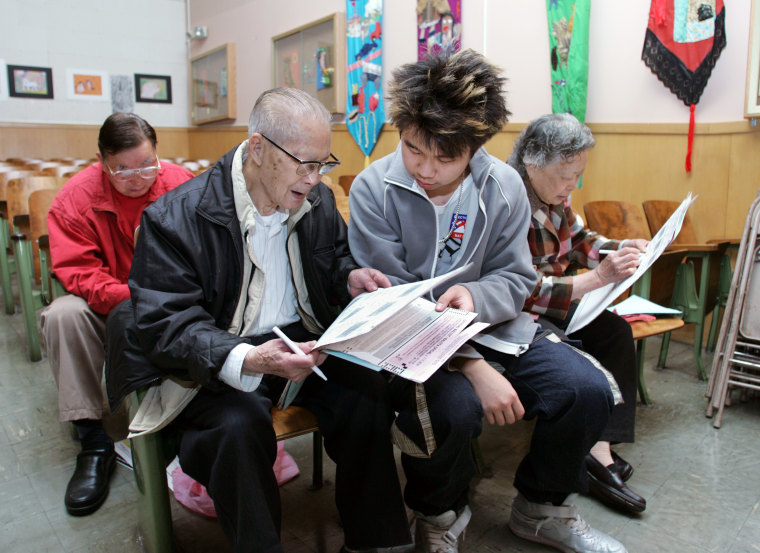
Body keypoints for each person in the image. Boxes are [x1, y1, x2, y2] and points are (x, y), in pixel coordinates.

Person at [105, 88, 415, 553]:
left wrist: (349, 277)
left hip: (299, 343)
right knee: (237, 426)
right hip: (218, 354)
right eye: (302, 164)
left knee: (366, 392)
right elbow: (166, 325)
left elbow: (330, 260)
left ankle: (378, 541)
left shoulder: (318, 202)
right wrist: (248, 359)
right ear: (257, 148)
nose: (313, 179)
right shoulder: (174, 219)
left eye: (321, 164)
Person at [348, 49, 628, 553]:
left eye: (445, 157)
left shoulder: (504, 187)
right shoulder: (374, 189)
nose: (425, 170)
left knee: (585, 389)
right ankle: (438, 516)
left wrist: (475, 295)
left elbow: (517, 279)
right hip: (411, 343)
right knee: (453, 410)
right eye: (413, 149)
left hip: (498, 328)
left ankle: (542, 507)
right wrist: (474, 366)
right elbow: (393, 301)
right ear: (401, 130)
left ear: (476, 146)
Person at [40, 112, 194, 517]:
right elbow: (78, 273)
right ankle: (93, 439)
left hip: (169, 299)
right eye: (121, 169)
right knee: (62, 315)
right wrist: (133, 295)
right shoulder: (75, 199)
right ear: (102, 160)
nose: (137, 177)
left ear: (158, 153)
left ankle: (188, 417)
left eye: (146, 164)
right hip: (106, 303)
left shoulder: (181, 184)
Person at [507, 113, 648, 515]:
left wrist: (619, 249)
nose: (573, 185)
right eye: (566, 174)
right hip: (523, 311)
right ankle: (593, 455)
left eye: (578, 174)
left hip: (559, 297)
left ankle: (598, 443)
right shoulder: (508, 198)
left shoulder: (554, 194)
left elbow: (581, 239)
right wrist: (596, 278)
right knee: (570, 353)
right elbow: (520, 288)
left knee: (615, 332)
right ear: (532, 163)